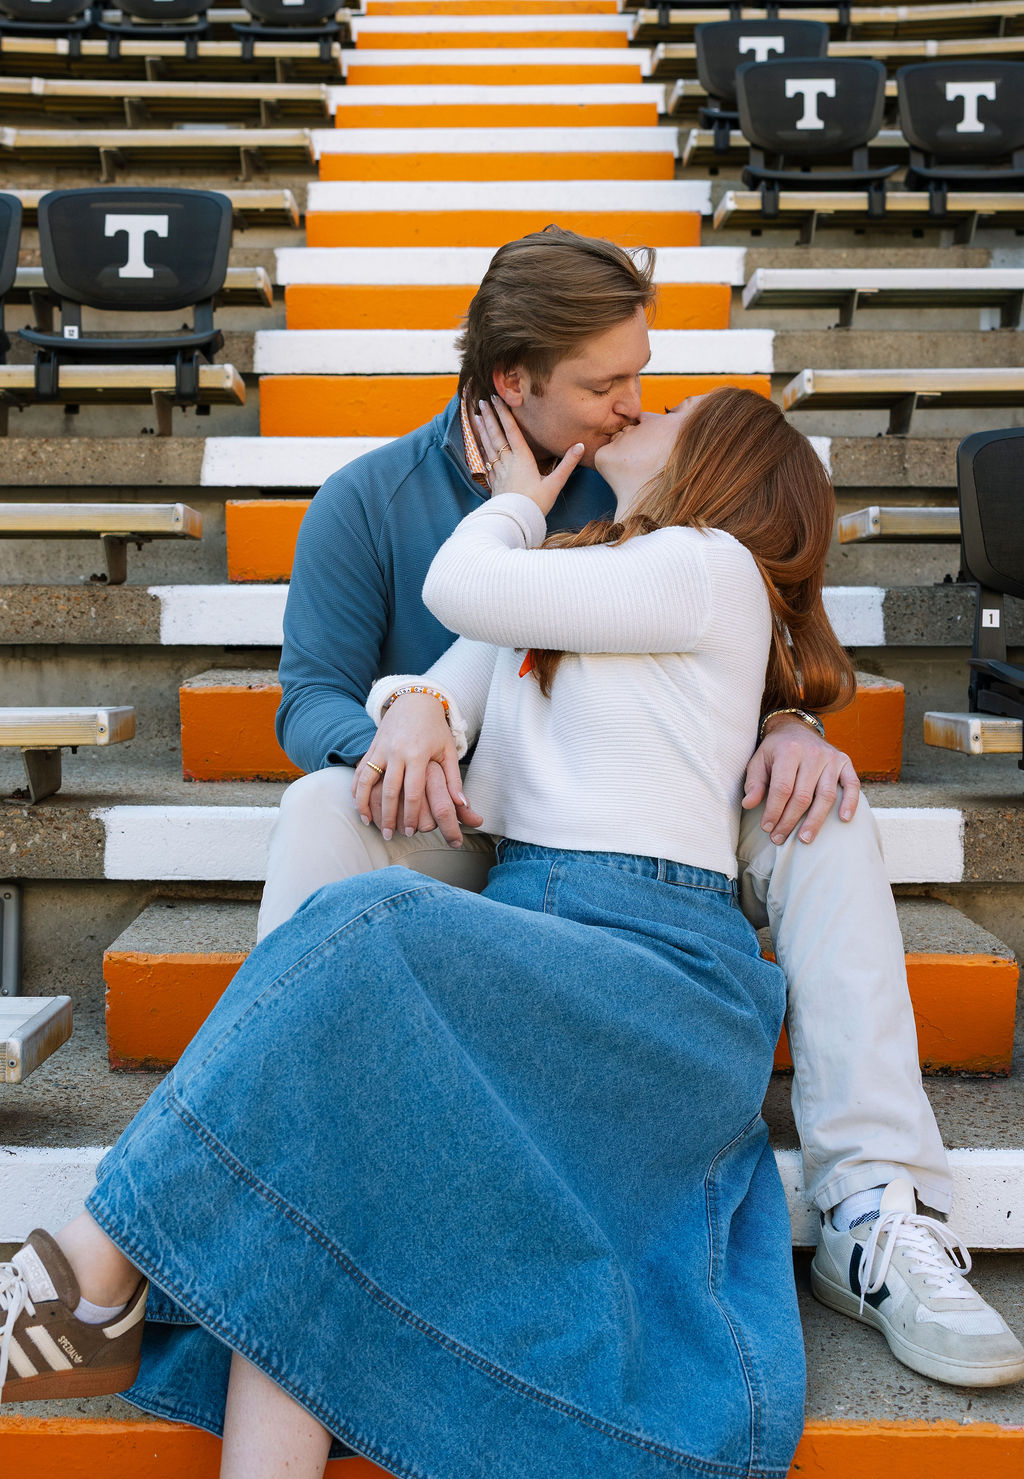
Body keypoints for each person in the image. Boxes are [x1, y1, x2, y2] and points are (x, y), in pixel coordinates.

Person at [1, 386, 843, 1479]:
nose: (642, 407)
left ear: (723, 459)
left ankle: (88, 1268)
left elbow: (459, 582)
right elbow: (431, 690)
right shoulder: (582, 581)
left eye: (677, 408)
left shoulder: (706, 564)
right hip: (537, 945)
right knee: (336, 1151)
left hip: (656, 972)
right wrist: (416, 703)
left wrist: (506, 503)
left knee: (366, 918)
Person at [257, 226, 1024, 1388]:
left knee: (823, 811)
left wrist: (783, 721)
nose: (631, 405)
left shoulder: (664, 493)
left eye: (641, 375)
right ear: (513, 382)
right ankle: (273, 1165)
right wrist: (401, 726)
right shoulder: (370, 499)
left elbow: (746, 627)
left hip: (649, 828)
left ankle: (875, 1200)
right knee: (320, 805)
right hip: (466, 813)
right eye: (605, 385)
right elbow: (309, 694)